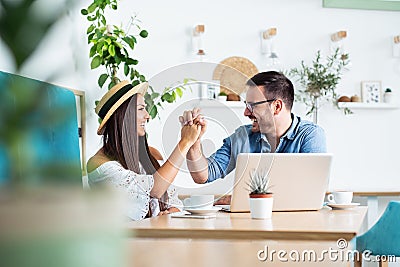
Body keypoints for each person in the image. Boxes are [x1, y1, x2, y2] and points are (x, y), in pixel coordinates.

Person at [181, 71, 326, 185]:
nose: (246, 113)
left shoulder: (310, 136)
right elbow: (204, 175)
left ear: (276, 106)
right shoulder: (243, 136)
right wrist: (194, 143)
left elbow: (311, 188)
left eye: (252, 106)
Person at [87, 81, 201, 220]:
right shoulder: (99, 165)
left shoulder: (152, 154)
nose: (148, 115)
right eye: (141, 109)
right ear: (123, 116)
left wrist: (173, 210)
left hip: (157, 237)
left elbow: (172, 199)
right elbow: (156, 189)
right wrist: (185, 142)